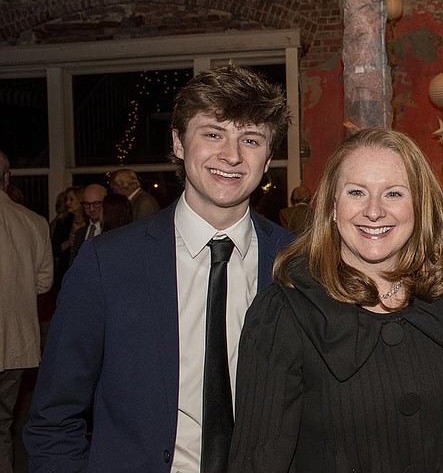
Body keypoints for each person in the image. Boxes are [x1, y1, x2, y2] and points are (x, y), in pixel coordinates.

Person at [24, 63, 294, 473]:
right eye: (213, 133)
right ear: (179, 142)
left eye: (251, 139)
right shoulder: (108, 264)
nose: (232, 155)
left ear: (268, 157)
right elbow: (53, 417)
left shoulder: (297, 264)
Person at [229, 128, 443, 472]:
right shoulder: (285, 313)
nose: (374, 211)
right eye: (356, 192)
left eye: (394, 193)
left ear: (419, 206)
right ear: (332, 205)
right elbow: (256, 462)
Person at [0, 150, 53, 473]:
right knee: (4, 426)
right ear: (6, 180)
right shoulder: (34, 223)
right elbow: (44, 283)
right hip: (17, 345)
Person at [69, 183, 106, 265]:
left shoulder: (111, 231)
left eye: (96, 203)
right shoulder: (80, 233)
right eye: (87, 204)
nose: (92, 209)